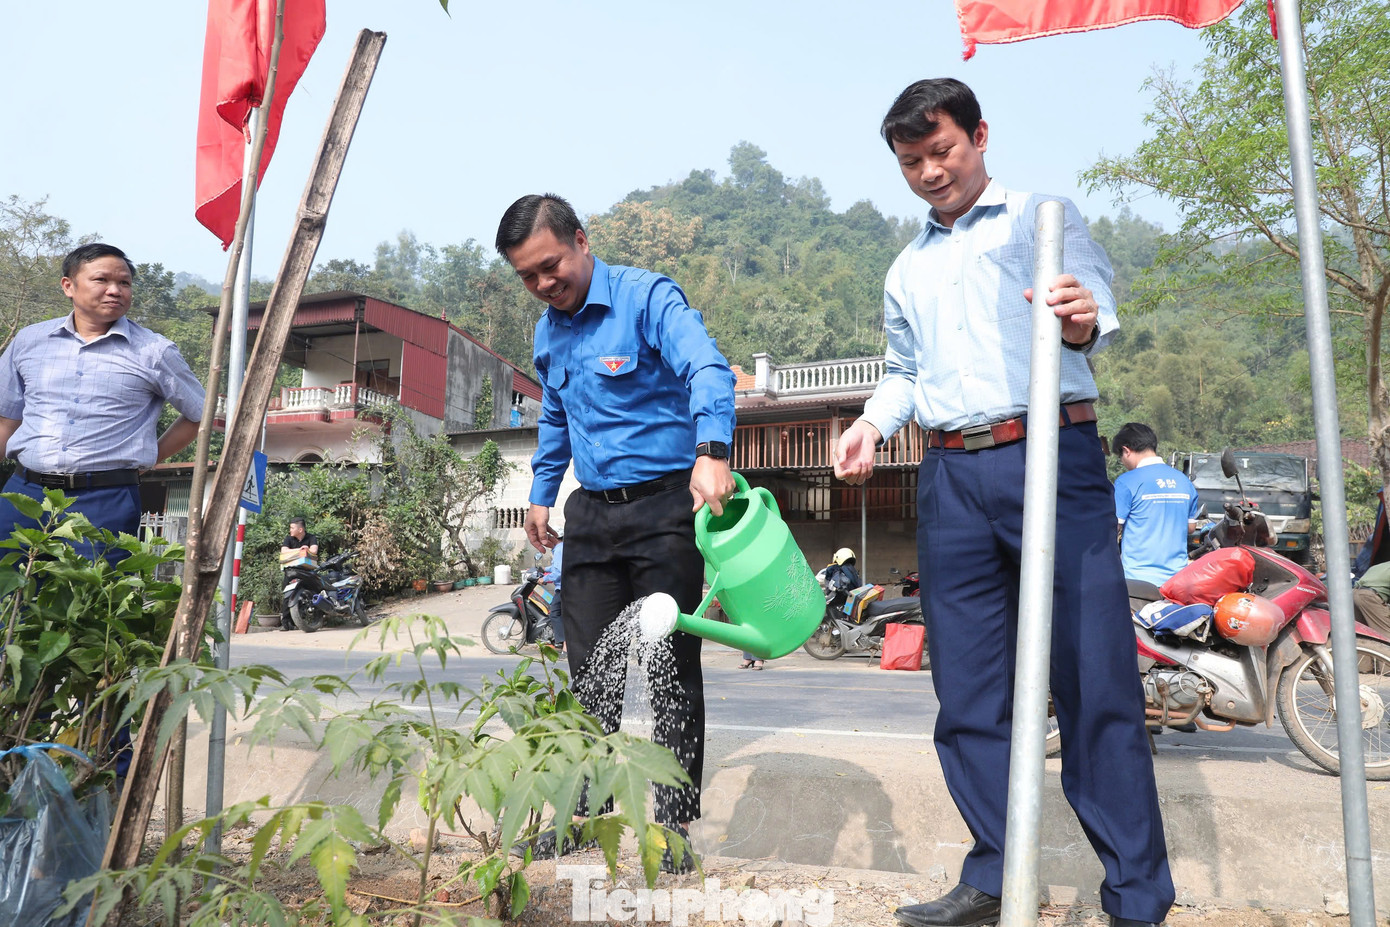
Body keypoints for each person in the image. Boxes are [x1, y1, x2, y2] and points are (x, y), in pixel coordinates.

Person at [834, 79, 1173, 927]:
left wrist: (1081, 317)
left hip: (1052, 457)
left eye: (942, 151)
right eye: (912, 162)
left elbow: (1087, 302)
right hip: (950, 476)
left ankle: (1136, 896)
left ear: (980, 136)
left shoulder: (1038, 217)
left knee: (1093, 681)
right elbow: (906, 371)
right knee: (969, 692)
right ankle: (993, 873)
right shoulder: (905, 266)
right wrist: (873, 425)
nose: (929, 172)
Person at [495, 193, 736, 873]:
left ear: (581, 239)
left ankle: (673, 826)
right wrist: (541, 495)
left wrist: (712, 449)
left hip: (666, 509)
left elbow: (708, 368)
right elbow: (555, 419)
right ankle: (584, 818)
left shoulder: (645, 298)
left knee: (669, 675)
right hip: (592, 516)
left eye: (551, 265)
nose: (545, 283)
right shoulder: (549, 333)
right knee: (589, 676)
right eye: (528, 276)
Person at [0, 243, 205, 562]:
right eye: (102, 280)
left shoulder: (154, 352)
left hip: (105, 499)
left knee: (92, 602)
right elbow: (7, 420)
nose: (115, 290)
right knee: (10, 598)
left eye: (124, 283)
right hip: (24, 494)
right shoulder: (29, 341)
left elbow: (199, 416)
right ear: (68, 285)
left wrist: (150, 458)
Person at [1112, 423, 1201, 585]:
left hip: (1136, 580)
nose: (1123, 463)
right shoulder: (1184, 481)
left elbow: (1113, 527)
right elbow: (1190, 528)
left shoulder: (1126, 481)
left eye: (1121, 458)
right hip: (1176, 580)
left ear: (1126, 450)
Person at [279, 517, 319, 631]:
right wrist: (300, 550)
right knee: (287, 595)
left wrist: (308, 550)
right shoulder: (289, 538)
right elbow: (283, 551)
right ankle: (286, 623)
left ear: (300, 529)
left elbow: (314, 551)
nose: (290, 530)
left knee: (310, 594)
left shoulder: (311, 538)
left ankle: (310, 620)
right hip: (291, 571)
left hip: (307, 571)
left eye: (292, 528)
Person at [1352, 560, 1390, 640]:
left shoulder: (1381, 565)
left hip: (1354, 594)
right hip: (1368, 597)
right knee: (1386, 637)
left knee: (1365, 637)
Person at [541, 538, 566, 652]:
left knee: (555, 613)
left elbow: (558, 573)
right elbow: (557, 566)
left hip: (562, 588)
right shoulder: (560, 548)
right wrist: (544, 569)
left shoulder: (559, 549)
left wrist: (544, 578)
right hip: (564, 587)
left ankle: (560, 642)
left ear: (555, 538)